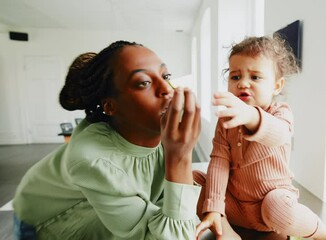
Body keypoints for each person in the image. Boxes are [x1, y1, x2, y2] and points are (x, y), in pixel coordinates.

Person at [13, 40, 202, 239]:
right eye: (144, 82)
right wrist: (180, 156)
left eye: (166, 76)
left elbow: (167, 205)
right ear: (110, 106)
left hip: (99, 212)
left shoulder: (166, 133)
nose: (166, 88)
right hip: (45, 221)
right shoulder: (92, 159)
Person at [193, 36, 326, 240]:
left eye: (255, 77)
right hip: (234, 206)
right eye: (235, 77)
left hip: (270, 208)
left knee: (278, 206)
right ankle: (224, 229)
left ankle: (324, 233)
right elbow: (219, 161)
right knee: (193, 180)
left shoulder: (281, 112)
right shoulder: (226, 120)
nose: (243, 83)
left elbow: (279, 135)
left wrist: (251, 116)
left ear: (277, 86)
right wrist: (215, 208)